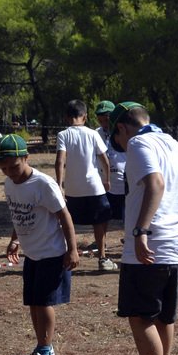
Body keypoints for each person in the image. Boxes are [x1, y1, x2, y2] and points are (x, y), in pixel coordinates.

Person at [113, 104, 178, 355]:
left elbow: (156, 184)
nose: (121, 148)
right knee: (164, 316)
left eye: (118, 140)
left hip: (151, 246)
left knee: (140, 316)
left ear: (122, 128)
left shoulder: (138, 143)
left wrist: (141, 230)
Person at [0, 133, 79, 355]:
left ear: (26, 157)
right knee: (33, 301)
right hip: (32, 254)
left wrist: (72, 249)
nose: (10, 172)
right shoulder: (10, 184)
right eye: (4, 168)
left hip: (51, 253)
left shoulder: (43, 184)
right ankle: (41, 346)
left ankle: (46, 351)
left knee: (44, 302)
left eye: (14, 166)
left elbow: (65, 216)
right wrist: (14, 241)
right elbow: (18, 214)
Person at [55, 99, 116, 271]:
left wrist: (60, 184)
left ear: (67, 118)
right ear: (86, 116)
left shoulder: (63, 135)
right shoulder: (93, 134)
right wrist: (107, 179)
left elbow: (60, 160)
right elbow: (104, 159)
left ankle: (69, 253)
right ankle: (102, 258)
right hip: (94, 186)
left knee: (69, 222)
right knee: (100, 222)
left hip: (73, 189)